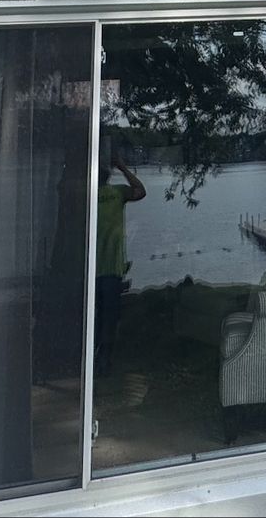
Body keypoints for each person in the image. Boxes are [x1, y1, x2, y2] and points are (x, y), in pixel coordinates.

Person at [94, 151, 146, 375]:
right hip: (103, 268)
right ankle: (99, 358)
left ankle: (102, 358)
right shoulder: (114, 192)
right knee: (105, 316)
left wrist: (122, 167)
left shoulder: (115, 193)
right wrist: (123, 167)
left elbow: (140, 192)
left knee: (103, 316)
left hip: (103, 269)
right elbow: (140, 190)